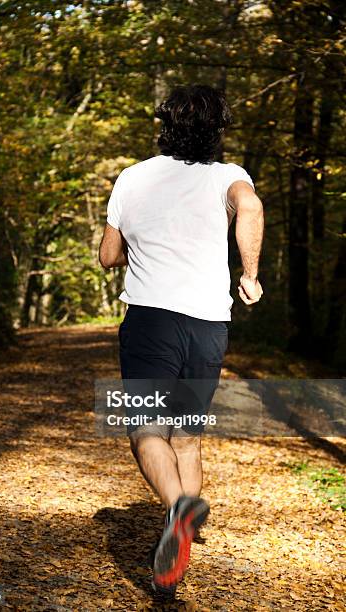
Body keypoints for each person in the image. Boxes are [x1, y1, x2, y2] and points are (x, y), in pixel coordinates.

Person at [98, 83, 264, 596]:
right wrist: (250, 274)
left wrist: (146, 247)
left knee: (146, 430)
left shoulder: (133, 177)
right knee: (187, 437)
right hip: (209, 323)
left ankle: (177, 512)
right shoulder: (231, 177)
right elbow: (251, 210)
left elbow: (107, 256)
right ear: (217, 131)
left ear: (164, 124)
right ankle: (178, 548)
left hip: (152, 320)